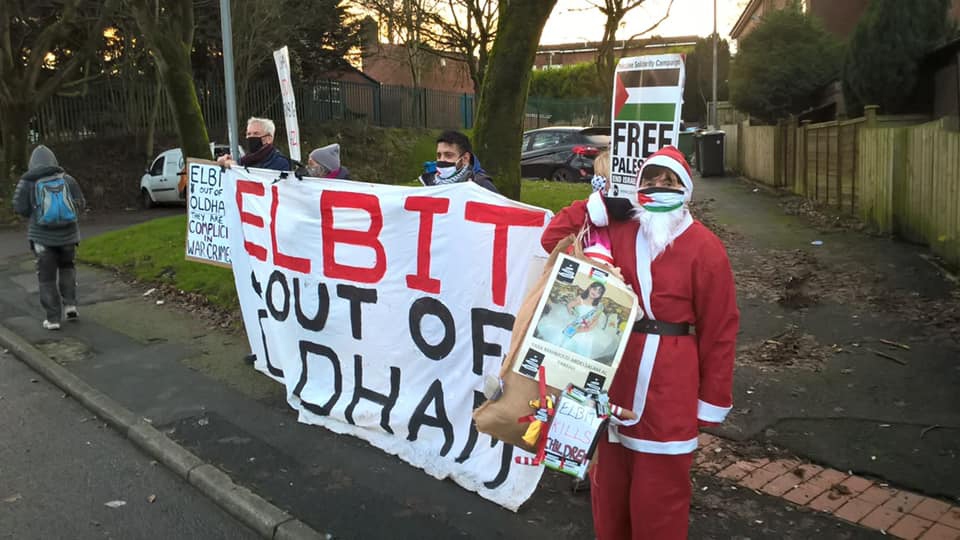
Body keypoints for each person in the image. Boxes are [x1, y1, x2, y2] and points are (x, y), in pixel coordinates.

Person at [541, 145, 739, 539]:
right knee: (608, 498)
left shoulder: (705, 247)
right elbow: (553, 239)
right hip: (611, 373)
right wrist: (594, 207)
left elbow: (720, 331)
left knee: (659, 504)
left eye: (669, 181)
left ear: (685, 189)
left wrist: (710, 400)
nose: (659, 187)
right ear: (637, 187)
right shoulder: (620, 228)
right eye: (651, 180)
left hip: (669, 386)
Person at [217, 117, 292, 366]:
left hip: (273, 245)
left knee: (275, 299)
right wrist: (227, 168)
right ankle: (262, 349)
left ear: (268, 138)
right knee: (256, 295)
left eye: (255, 133)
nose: (249, 137)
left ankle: (282, 353)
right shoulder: (244, 165)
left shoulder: (281, 165)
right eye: (247, 132)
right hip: (254, 244)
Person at [12, 145, 86, 330]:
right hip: (69, 237)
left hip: (42, 238)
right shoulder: (67, 179)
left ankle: (53, 319)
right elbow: (81, 204)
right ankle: (70, 305)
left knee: (46, 278)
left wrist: (36, 213)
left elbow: (20, 208)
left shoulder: (28, 182)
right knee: (68, 268)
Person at [419, 130, 498, 193]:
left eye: (448, 155)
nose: (442, 160)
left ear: (465, 158)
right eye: (439, 155)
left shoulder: (481, 185)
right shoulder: (428, 183)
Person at [217, 117, 292, 171]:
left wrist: (236, 166)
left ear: (269, 139)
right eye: (248, 134)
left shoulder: (280, 163)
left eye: (256, 134)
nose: (251, 137)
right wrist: (224, 163)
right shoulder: (245, 160)